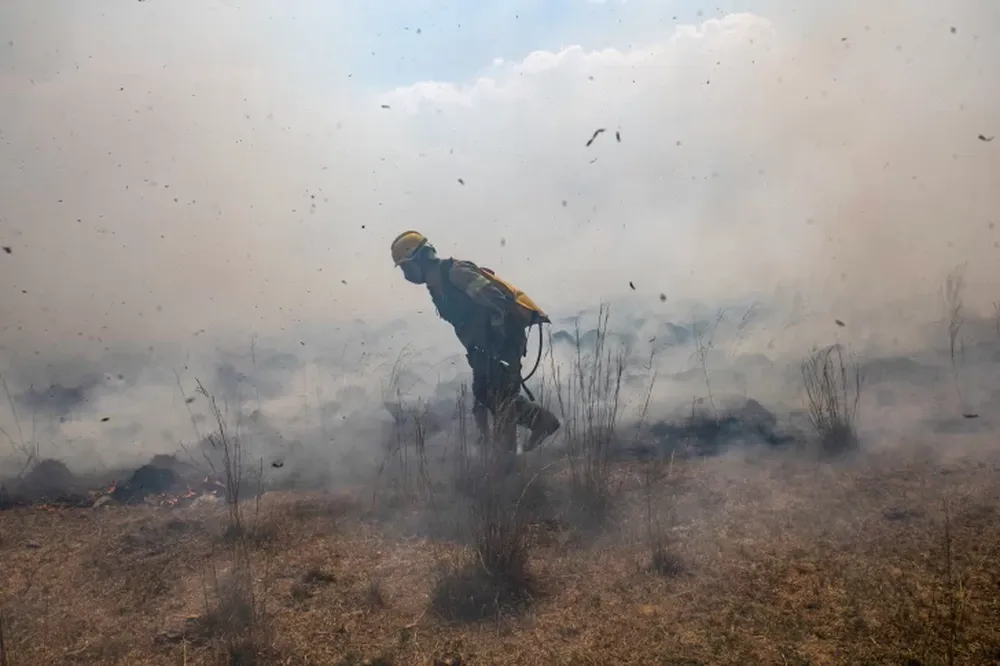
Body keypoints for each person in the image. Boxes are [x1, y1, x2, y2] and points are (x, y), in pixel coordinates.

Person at [390, 230, 561, 454]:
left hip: (502, 344)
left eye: (407, 267)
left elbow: (497, 302)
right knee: (484, 394)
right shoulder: (437, 285)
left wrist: (497, 346)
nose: (406, 274)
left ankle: (509, 461)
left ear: (422, 258)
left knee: (502, 401)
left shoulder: (456, 274)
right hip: (483, 347)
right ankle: (529, 430)